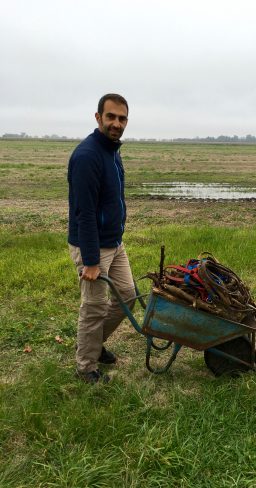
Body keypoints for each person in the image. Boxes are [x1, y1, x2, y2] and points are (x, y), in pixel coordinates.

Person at [68, 93, 136, 384]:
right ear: (98, 118)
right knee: (94, 307)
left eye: (121, 118)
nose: (116, 123)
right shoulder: (87, 156)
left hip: (114, 242)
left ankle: (92, 344)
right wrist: (92, 262)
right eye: (111, 117)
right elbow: (84, 213)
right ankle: (86, 367)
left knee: (128, 296)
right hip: (91, 245)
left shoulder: (111, 151)